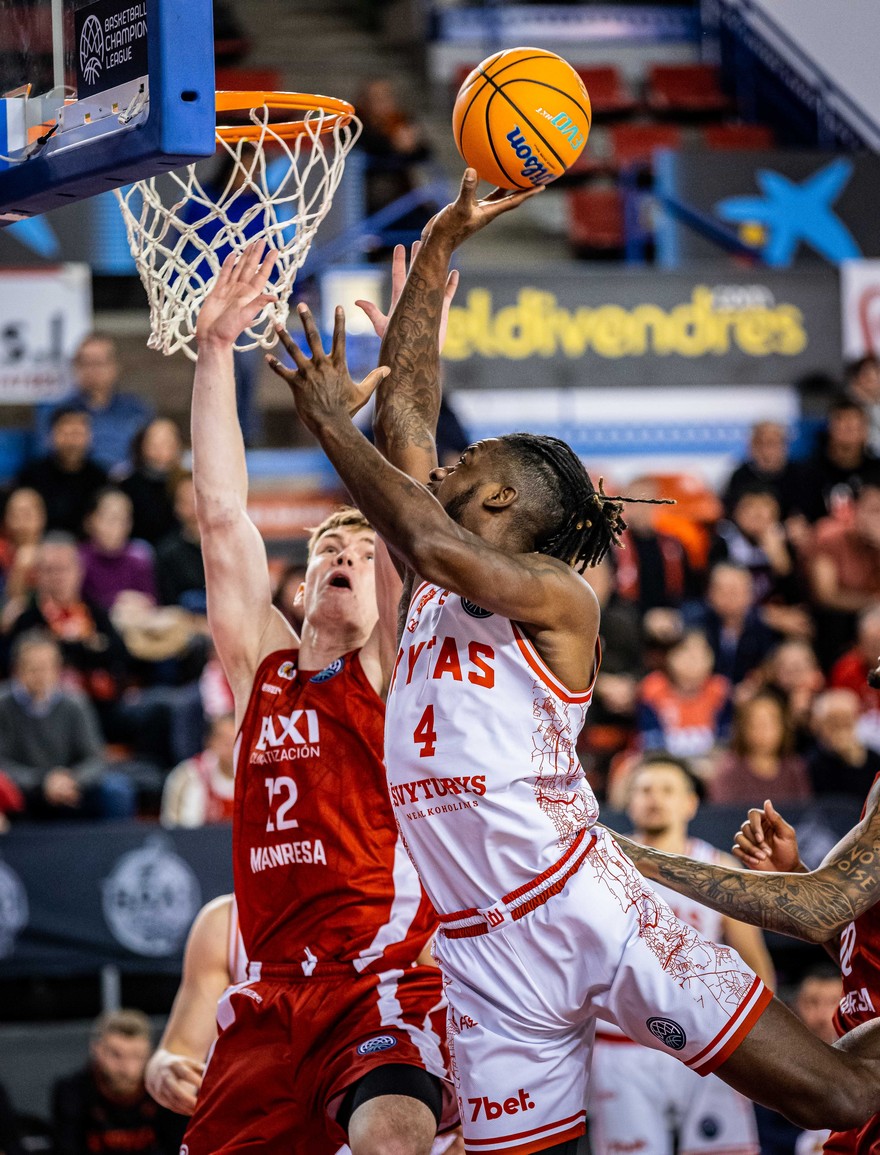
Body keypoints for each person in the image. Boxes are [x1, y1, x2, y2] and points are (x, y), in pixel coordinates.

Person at [268, 169, 880, 1152]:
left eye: (469, 464)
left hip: (586, 905)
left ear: (504, 499)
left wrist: (328, 425)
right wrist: (439, 244)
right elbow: (408, 421)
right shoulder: (431, 583)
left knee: (839, 1100)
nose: (444, 465)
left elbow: (423, 528)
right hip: (480, 954)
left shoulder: (558, 597)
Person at [179, 243, 457, 1155]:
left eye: (361, 554)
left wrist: (414, 353)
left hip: (375, 982)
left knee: (391, 1135)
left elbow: (408, 510)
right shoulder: (262, 666)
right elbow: (223, 514)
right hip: (266, 995)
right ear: (300, 585)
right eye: (328, 550)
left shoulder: (389, 668)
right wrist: (215, 350)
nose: (344, 555)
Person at [589, 754, 773, 1155]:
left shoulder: (719, 867)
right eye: (644, 790)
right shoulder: (599, 868)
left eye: (667, 790)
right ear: (629, 801)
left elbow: (755, 963)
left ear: (690, 803)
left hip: (707, 1040)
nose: (655, 798)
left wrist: (758, 1048)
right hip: (622, 1046)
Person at [0, 630, 135, 820]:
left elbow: (96, 758)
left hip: (71, 787)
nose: (40, 675)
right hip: (25, 789)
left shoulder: (75, 702)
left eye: (47, 667)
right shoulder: (3, 705)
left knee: (116, 789)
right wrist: (42, 782)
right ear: (17, 670)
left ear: (58, 669)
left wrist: (72, 780)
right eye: (33, 668)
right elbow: (3, 764)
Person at [52, 1009, 184, 1155]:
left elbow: (178, 1147)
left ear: (149, 1054)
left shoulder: (166, 1090)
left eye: (136, 1056)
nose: (126, 1068)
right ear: (97, 1050)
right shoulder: (73, 1091)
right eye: (116, 1055)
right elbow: (67, 1147)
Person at [36, 334, 153, 472]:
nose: (92, 370)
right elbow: (45, 456)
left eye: (99, 363)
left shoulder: (136, 409)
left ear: (115, 366)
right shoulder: (58, 411)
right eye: (85, 363)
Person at [637, 628, 732, 759]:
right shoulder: (653, 688)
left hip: (710, 763)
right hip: (663, 762)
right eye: (685, 652)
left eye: (701, 654)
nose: (692, 661)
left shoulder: (720, 690)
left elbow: (724, 741)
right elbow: (651, 742)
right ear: (670, 656)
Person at [15, 408, 108, 536]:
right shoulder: (32, 475)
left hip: (88, 544)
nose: (72, 442)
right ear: (51, 436)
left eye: (77, 434)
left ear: (89, 437)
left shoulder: (100, 478)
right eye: (65, 433)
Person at [709, 691, 811, 806]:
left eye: (769, 723)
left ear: (783, 726)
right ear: (743, 728)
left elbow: (805, 811)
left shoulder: (794, 769)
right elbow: (722, 813)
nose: (763, 732)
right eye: (756, 724)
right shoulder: (729, 772)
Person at [80, 488, 157, 611]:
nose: (117, 526)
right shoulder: (79, 560)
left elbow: (152, 601)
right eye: (110, 518)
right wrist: (116, 601)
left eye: (124, 519)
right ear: (90, 520)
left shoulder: (139, 558)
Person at [160, 713, 235, 827]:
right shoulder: (188, 775)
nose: (230, 747)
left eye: (236, 740)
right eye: (224, 740)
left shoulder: (258, 779)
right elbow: (178, 830)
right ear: (209, 742)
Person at [118, 418, 184, 546]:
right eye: (155, 442)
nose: (161, 448)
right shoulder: (128, 486)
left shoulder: (189, 483)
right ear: (143, 445)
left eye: (167, 441)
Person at [806, 688, 880, 800]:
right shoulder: (808, 762)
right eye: (833, 721)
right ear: (818, 724)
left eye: (846, 719)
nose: (840, 727)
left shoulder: (873, 759)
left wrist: (855, 760)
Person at [722, 420, 800, 519]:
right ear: (751, 446)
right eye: (760, 443)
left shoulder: (800, 476)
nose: (766, 451)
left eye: (772, 443)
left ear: (785, 446)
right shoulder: (740, 477)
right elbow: (730, 513)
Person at [829, 605, 880, 752]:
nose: (876, 647)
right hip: (854, 741)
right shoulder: (845, 669)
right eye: (870, 641)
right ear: (859, 642)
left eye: (879, 640)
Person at [155, 474, 206, 613]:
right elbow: (167, 606)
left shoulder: (232, 549)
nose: (195, 510)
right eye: (186, 502)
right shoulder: (166, 553)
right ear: (176, 508)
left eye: (198, 500)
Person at [0, 487, 46, 605]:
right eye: (15, 514)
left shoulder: (55, 552)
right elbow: (9, 603)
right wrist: (20, 568)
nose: (21, 520)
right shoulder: (1, 551)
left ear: (42, 516)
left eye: (26, 513)